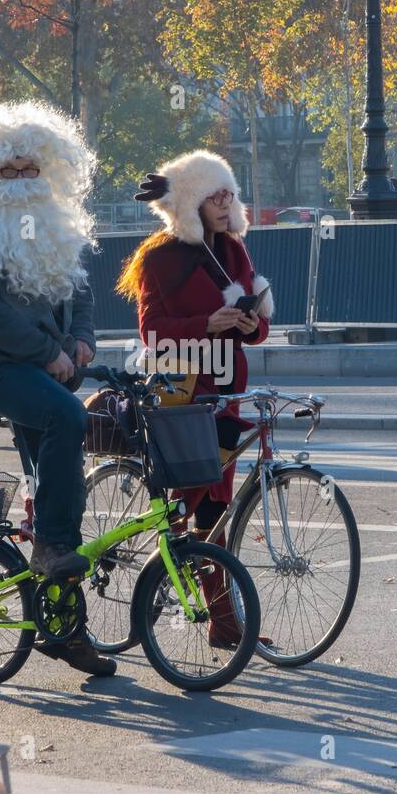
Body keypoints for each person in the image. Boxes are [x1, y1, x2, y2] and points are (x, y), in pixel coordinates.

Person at [0, 101, 110, 677]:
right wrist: (50, 354)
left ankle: (63, 628)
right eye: (6, 173)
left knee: (64, 493)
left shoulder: (57, 228)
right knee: (69, 419)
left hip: (50, 370)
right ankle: (52, 547)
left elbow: (80, 291)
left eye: (27, 171)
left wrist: (82, 339)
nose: (17, 183)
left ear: (48, 171)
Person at [119, 150, 273, 649]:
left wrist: (251, 324)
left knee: (217, 507)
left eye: (230, 193)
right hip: (181, 395)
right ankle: (206, 611)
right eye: (215, 196)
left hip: (226, 394)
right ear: (190, 204)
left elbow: (257, 327)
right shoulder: (158, 257)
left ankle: (222, 620)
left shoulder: (233, 250)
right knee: (189, 506)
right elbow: (151, 332)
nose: (226, 204)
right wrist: (205, 325)